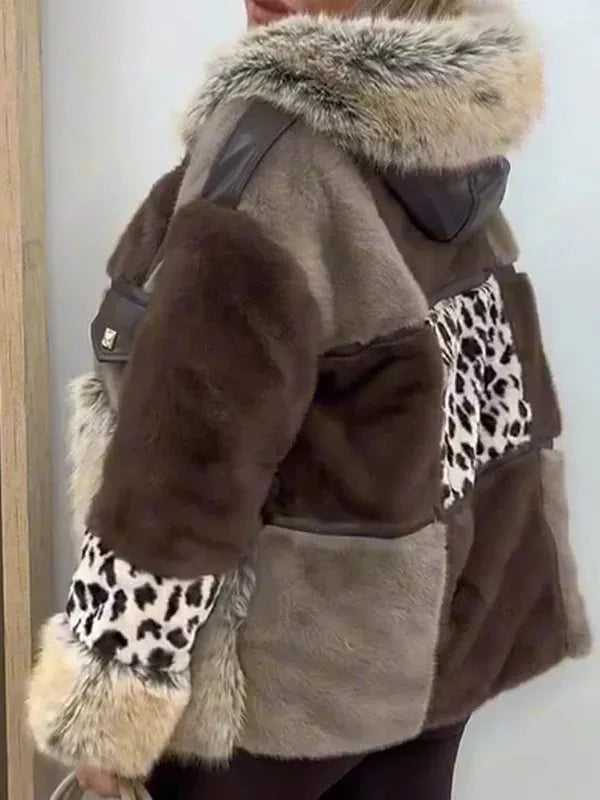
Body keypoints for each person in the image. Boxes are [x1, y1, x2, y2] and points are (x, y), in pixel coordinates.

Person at [28, 1, 591, 798]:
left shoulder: (277, 146)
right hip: (434, 657)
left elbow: (188, 449)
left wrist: (114, 693)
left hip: (289, 688)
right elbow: (492, 395)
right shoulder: (446, 123)